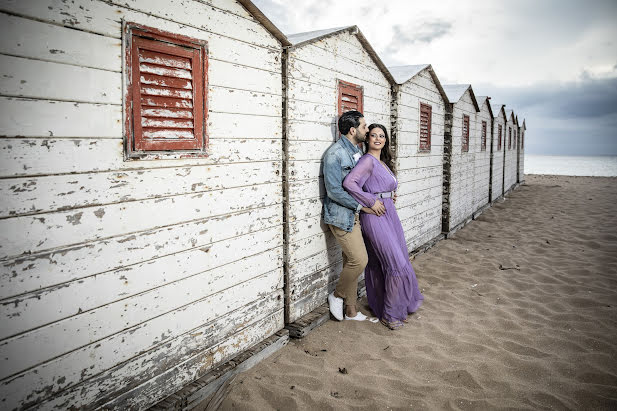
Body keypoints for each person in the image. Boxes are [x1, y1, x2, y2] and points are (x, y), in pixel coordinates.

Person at [343, 123, 424, 329]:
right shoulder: (367, 160)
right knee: (395, 263)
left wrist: (388, 196)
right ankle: (389, 314)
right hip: (375, 216)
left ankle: (389, 306)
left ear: (386, 140)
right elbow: (350, 183)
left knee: (389, 262)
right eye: (373, 135)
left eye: (381, 135)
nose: (377, 139)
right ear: (367, 139)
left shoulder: (383, 162)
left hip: (389, 214)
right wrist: (370, 201)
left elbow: (381, 186)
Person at [323, 111, 386, 321]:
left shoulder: (356, 152)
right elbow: (333, 191)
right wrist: (362, 206)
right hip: (341, 216)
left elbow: (362, 182)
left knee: (349, 260)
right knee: (359, 260)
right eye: (364, 127)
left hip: (354, 215)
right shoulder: (335, 154)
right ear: (353, 130)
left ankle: (350, 311)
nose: (367, 131)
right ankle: (336, 295)